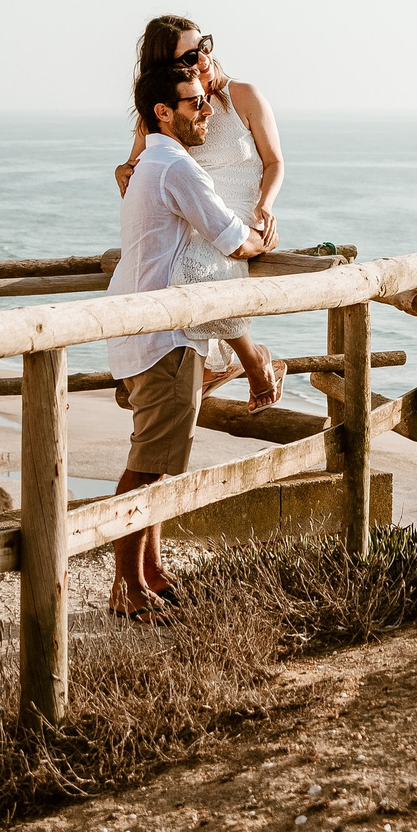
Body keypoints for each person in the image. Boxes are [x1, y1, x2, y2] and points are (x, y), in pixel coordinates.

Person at [106, 64, 270, 618]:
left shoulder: (151, 163)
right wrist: (259, 236)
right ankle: (126, 588)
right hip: (165, 336)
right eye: (196, 103)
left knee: (153, 461)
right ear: (163, 112)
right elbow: (231, 239)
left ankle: (148, 573)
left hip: (141, 329)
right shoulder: (176, 167)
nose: (208, 112)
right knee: (146, 466)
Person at [116, 17, 289, 410]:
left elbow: (275, 161)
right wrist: (121, 170)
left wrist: (265, 205)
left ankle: (246, 360)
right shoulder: (171, 105)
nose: (204, 56)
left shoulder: (243, 95)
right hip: (199, 209)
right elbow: (137, 161)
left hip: (245, 207)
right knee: (176, 268)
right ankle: (212, 365)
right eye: (191, 54)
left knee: (197, 266)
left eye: (205, 45)